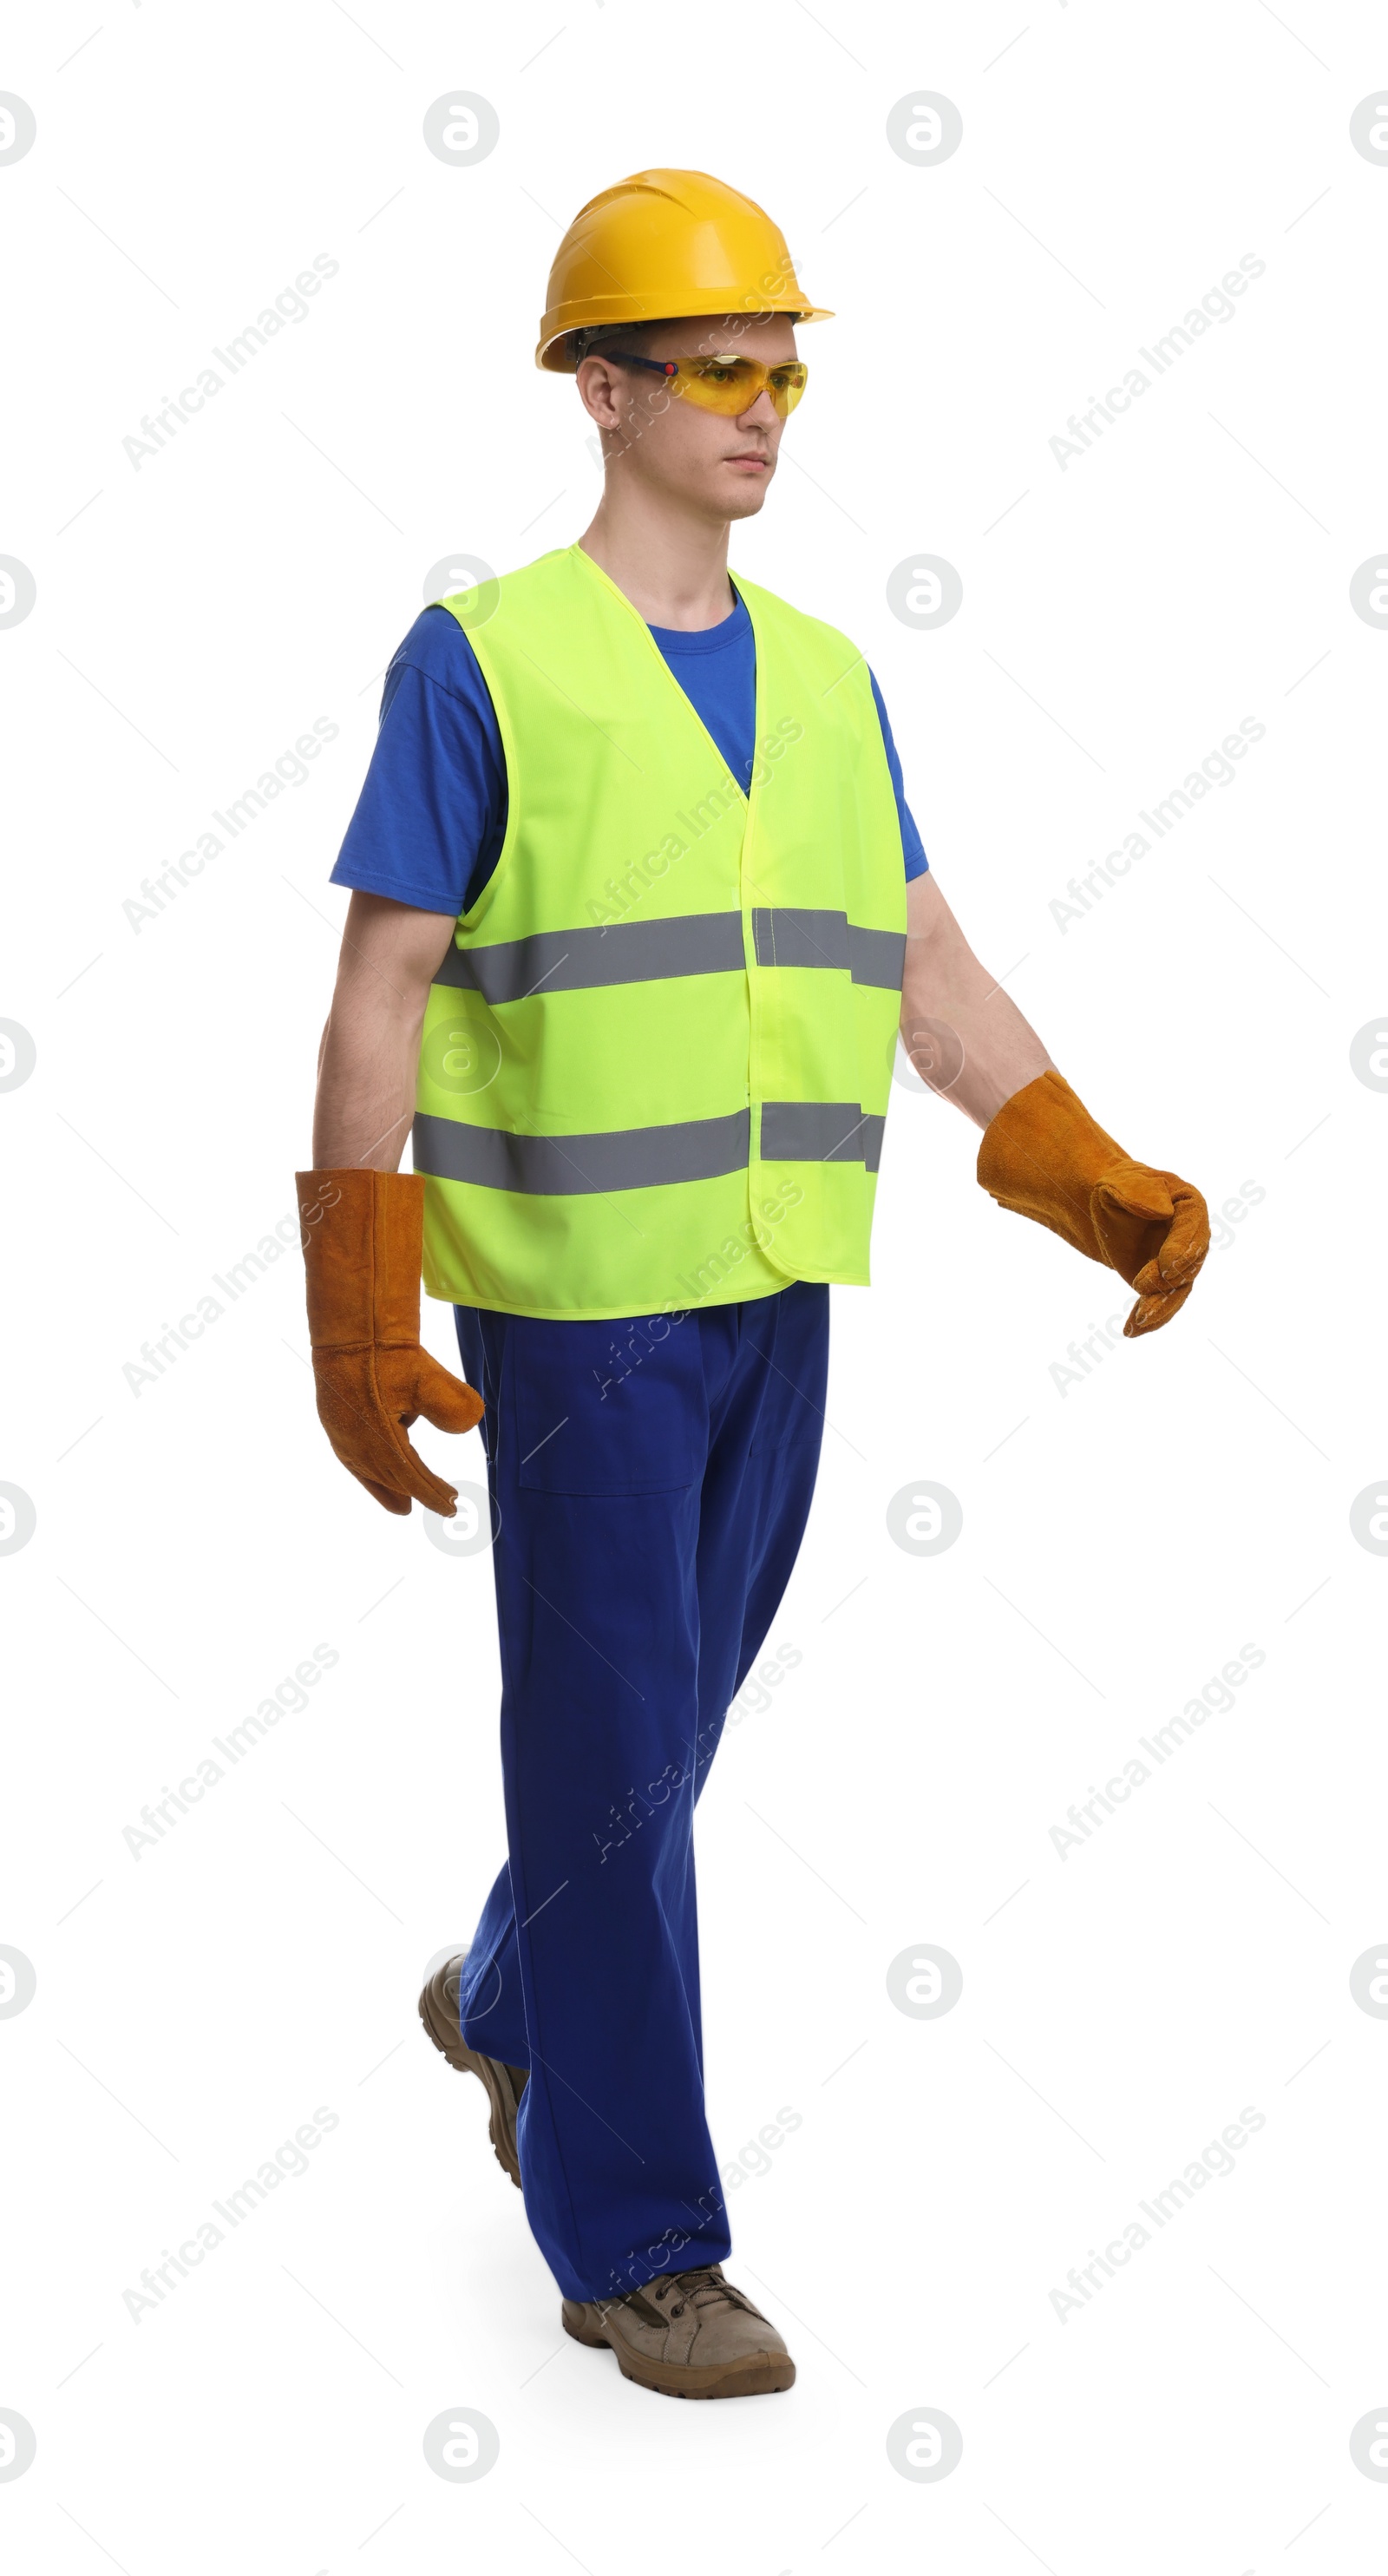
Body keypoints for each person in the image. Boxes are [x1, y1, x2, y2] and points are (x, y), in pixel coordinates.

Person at [296, 168, 1208, 2402]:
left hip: (777, 1282)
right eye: (716, 365)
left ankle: (513, 1992)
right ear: (596, 391)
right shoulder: (484, 658)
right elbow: (378, 994)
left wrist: (1064, 1152)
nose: (761, 403)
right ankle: (638, 2242)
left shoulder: (823, 678)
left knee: (659, 1742)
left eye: (781, 369)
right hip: (576, 1308)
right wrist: (353, 1302)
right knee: (607, 1743)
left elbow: (915, 958)